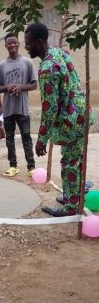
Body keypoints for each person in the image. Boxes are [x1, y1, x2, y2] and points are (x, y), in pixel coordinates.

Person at [24, 22, 94, 217]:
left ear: (39, 42)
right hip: (82, 113)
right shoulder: (59, 53)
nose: (26, 47)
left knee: (69, 163)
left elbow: (50, 108)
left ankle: (71, 208)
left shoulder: (47, 68)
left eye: (28, 43)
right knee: (76, 159)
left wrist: (42, 140)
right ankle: (73, 197)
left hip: (71, 121)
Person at [0, 33, 37, 177]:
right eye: (9, 43)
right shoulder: (1, 66)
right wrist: (7, 87)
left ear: (18, 44)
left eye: (14, 42)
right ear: (6, 46)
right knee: (9, 138)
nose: (12, 45)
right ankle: (13, 165)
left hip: (23, 107)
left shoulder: (27, 62)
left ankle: (31, 167)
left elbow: (34, 85)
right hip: (8, 108)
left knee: (26, 136)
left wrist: (20, 87)